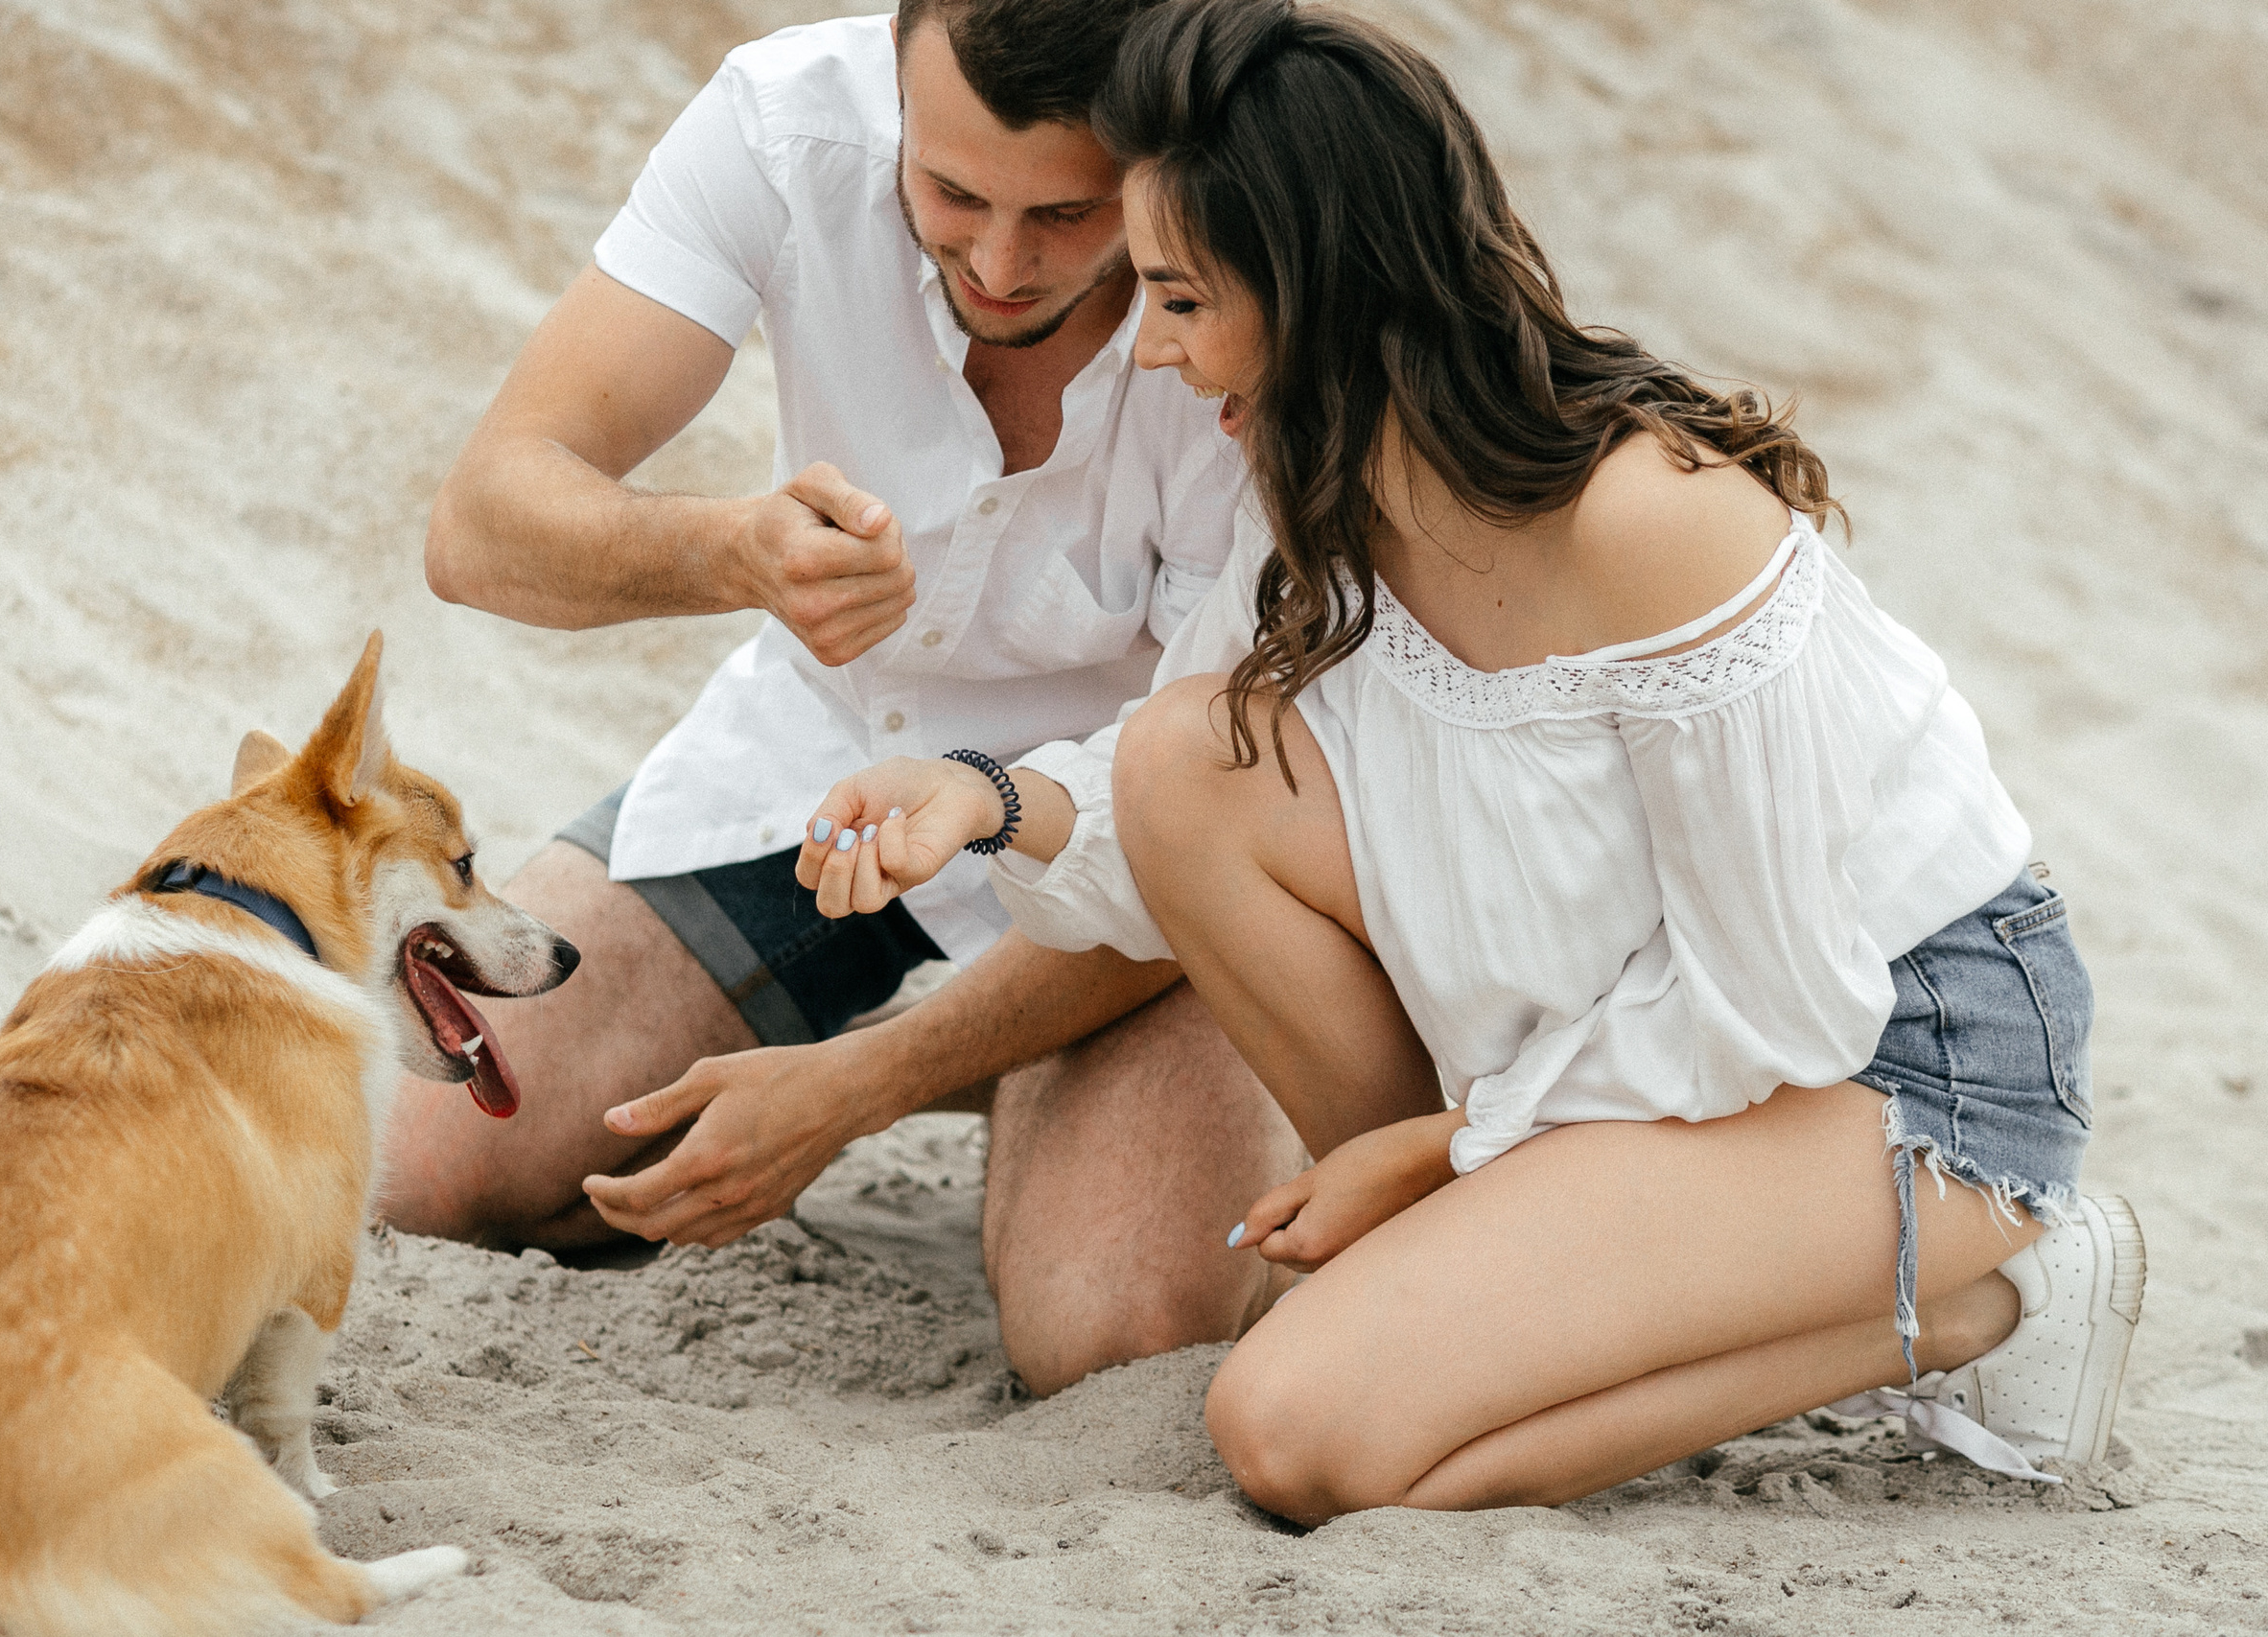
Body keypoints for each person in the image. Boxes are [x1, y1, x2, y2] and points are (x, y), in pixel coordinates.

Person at [796, 0, 2142, 1516]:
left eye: (1180, 301)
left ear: (1319, 288)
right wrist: (977, 801)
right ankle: (1510, 1301)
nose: (1153, 353)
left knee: (1300, 1441)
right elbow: (1165, 805)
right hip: (1635, 1052)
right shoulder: (1312, 491)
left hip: (1890, 1056)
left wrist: (1448, 1151)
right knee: (1190, 755)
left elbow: (1777, 1002)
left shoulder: (1651, 522)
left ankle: (1987, 1300)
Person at [381, 0, 1410, 1396]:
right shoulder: (786, 116)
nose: (998, 261)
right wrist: (731, 550)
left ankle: (1023, 1078)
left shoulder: (1286, 248)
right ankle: (956, 1065)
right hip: (830, 768)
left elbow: (1237, 796)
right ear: (897, 83)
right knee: (425, 1159)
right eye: (950, 190)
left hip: (1160, 854)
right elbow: (482, 526)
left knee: (1111, 1331)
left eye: (1067, 212)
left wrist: (860, 1091)